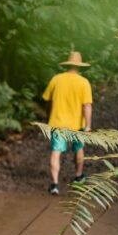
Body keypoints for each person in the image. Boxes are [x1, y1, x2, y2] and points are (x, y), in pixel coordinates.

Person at [43, 51, 94, 195]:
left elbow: (48, 100)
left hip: (58, 122)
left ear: (67, 65)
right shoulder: (84, 82)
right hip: (77, 124)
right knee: (78, 149)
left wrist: (48, 118)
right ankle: (78, 176)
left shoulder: (56, 79)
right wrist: (88, 125)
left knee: (56, 151)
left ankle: (54, 184)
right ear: (79, 66)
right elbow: (87, 106)